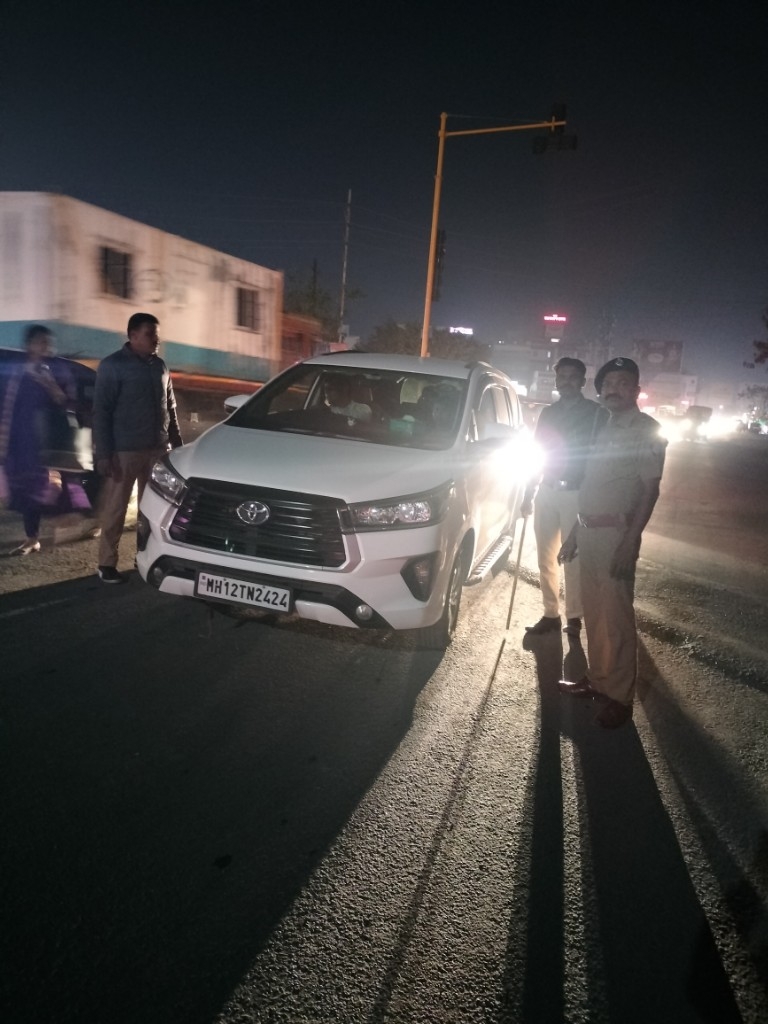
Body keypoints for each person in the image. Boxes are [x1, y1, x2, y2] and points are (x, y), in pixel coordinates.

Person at [557, 357, 667, 729]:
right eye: (607, 384)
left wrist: (630, 542)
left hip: (615, 535)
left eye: (622, 383)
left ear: (636, 390)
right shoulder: (603, 425)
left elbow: (650, 491)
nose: (613, 389)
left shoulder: (647, 430)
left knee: (616, 618)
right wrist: (575, 532)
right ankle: (598, 679)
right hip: (588, 532)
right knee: (594, 614)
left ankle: (620, 697)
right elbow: (593, 486)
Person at [92, 312, 183, 583]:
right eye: (150, 334)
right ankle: (106, 564)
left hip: (157, 450)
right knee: (116, 509)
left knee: (152, 510)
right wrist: (104, 453)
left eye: (157, 335)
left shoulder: (161, 367)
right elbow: (101, 412)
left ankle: (144, 557)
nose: (156, 340)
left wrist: (177, 445)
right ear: (132, 336)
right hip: (124, 451)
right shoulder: (113, 366)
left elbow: (170, 408)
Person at [521, 357, 608, 637]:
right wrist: (528, 493)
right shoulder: (548, 413)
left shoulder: (596, 414)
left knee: (573, 558)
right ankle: (550, 613)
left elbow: (602, 458)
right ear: (556, 381)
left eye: (572, 377)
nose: (566, 382)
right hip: (546, 490)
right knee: (545, 557)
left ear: (582, 382)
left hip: (576, 493)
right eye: (562, 377)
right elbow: (537, 453)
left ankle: (574, 616)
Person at [0, 325, 75, 555]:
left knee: (45, 488)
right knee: (23, 489)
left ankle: (68, 521)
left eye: (49, 343)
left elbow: (65, 402)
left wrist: (50, 384)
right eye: (42, 342)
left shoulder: (54, 371)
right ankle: (32, 538)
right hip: (19, 440)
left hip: (45, 444)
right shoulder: (15, 373)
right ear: (30, 345)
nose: (47, 347)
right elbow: (6, 404)